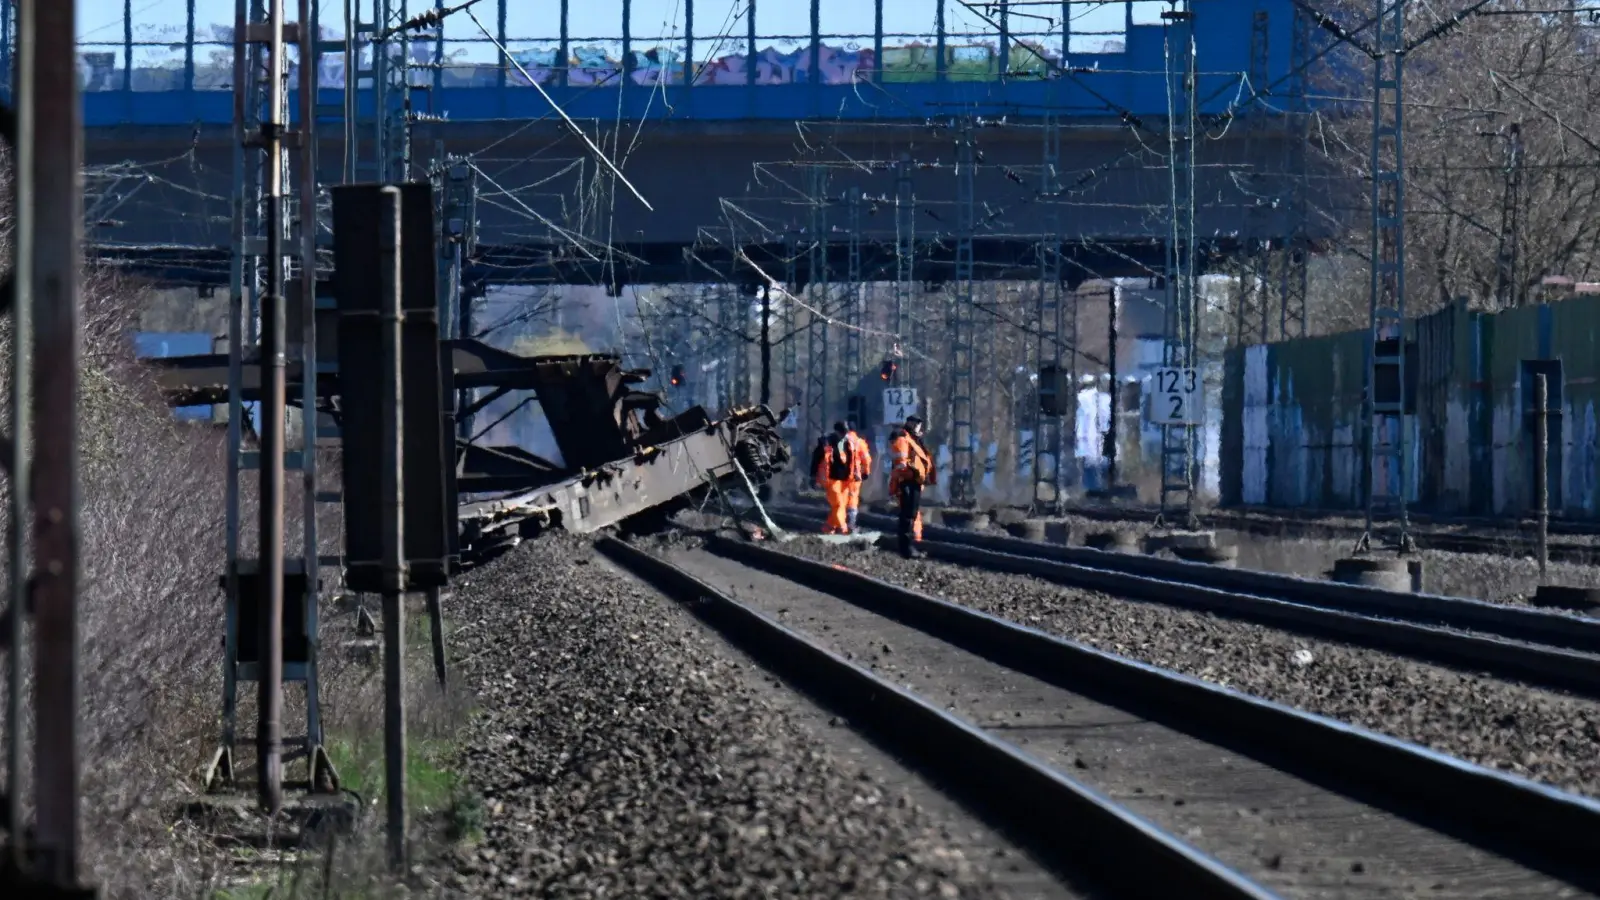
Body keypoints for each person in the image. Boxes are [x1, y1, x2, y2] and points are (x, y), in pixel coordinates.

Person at [888, 415, 934, 558]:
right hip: (906, 481)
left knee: (911, 515)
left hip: (914, 482)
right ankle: (906, 549)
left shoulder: (916, 440)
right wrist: (908, 471)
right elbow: (900, 461)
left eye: (919, 424)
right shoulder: (903, 438)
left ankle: (908, 547)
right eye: (915, 423)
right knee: (907, 516)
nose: (917, 426)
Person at [816, 422, 859, 534]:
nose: (845, 434)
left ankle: (829, 527)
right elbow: (816, 459)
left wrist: (855, 472)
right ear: (836, 431)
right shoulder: (826, 442)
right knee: (838, 504)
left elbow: (854, 459)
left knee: (841, 506)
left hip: (845, 479)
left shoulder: (848, 443)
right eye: (843, 432)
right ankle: (842, 527)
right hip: (831, 478)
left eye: (846, 432)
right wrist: (813, 476)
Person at [844, 421, 873, 534]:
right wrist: (866, 472)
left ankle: (839, 524)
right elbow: (866, 459)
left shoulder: (840, 441)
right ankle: (851, 525)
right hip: (854, 476)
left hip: (839, 476)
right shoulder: (859, 442)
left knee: (840, 499)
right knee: (852, 500)